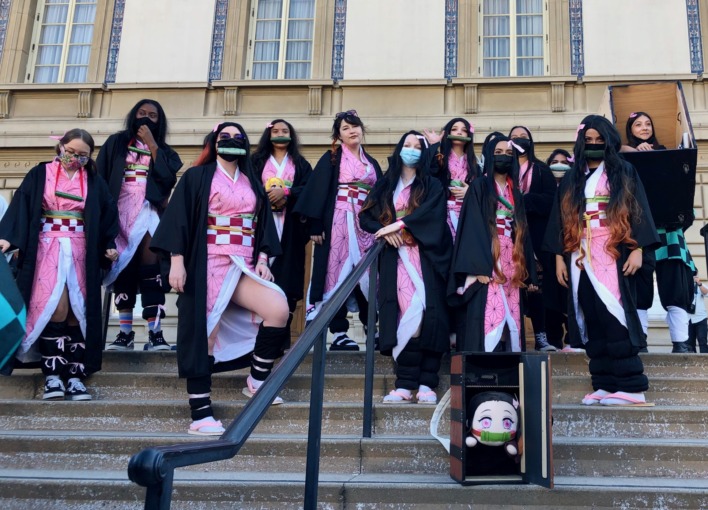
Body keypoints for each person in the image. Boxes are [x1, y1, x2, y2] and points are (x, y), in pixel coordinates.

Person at [150, 122, 290, 435]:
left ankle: (256, 380)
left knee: (278, 308)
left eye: (238, 138)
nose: (231, 142)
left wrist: (264, 259)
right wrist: (176, 261)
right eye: (225, 137)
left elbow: (263, 224)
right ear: (214, 142)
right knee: (206, 334)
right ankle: (200, 413)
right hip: (206, 260)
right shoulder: (197, 177)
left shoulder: (253, 181)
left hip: (242, 261)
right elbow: (179, 219)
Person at [543, 115, 659, 406]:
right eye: (589, 140)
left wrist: (638, 248)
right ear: (581, 142)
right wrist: (559, 257)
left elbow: (639, 209)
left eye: (599, 139)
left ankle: (632, 387)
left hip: (613, 250)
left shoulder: (623, 171)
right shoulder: (572, 177)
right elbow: (559, 217)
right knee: (590, 315)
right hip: (580, 253)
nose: (594, 144)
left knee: (614, 315)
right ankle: (605, 384)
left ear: (608, 141)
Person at [0, 129, 119, 400]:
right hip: (47, 246)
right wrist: (7, 238)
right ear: (60, 148)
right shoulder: (39, 174)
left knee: (78, 311)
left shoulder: (94, 181)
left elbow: (107, 213)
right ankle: (53, 375)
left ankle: (75, 376)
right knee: (56, 307)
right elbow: (22, 206)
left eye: (83, 155)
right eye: (71, 152)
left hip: (81, 248)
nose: (76, 158)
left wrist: (108, 245)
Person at [359, 131, 452, 404]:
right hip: (395, 260)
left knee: (428, 317)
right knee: (406, 320)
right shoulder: (385, 184)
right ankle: (405, 384)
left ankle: (427, 383)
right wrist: (383, 231)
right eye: (407, 145)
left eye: (417, 146)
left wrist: (399, 224)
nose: (411, 150)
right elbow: (366, 217)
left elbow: (431, 215)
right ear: (399, 149)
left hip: (426, 259)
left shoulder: (432, 185)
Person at [98, 99, 183, 351]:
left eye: (153, 115)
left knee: (150, 267)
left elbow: (167, 177)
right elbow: (101, 177)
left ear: (160, 121)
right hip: (119, 211)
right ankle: (124, 333)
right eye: (141, 113)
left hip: (147, 210)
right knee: (123, 267)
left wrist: (152, 144)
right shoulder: (115, 143)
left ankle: (155, 333)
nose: (146, 118)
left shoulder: (164, 150)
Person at [294, 110, 382, 351]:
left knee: (367, 275)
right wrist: (315, 224)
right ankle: (339, 331)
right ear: (338, 135)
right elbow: (317, 190)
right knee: (335, 276)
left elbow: (381, 195)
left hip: (365, 225)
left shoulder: (371, 162)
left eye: (355, 126)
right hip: (338, 222)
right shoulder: (332, 158)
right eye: (345, 128)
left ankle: (370, 328)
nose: (352, 131)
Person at [448, 133, 536, 353]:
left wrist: (530, 271)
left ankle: (510, 366)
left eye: (508, 153)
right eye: (498, 153)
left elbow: (523, 230)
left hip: (512, 257)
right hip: (488, 255)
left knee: (512, 318)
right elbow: (471, 226)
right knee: (488, 311)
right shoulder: (478, 186)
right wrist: (477, 266)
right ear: (489, 155)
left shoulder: (515, 191)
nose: (504, 157)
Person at [621, 112, 693, 353]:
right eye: (638, 124)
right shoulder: (623, 157)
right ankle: (640, 341)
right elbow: (614, 148)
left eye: (648, 123)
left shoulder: (667, 152)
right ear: (630, 129)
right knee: (640, 285)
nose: (644, 128)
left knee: (675, 284)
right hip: (639, 230)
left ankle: (681, 342)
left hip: (670, 230)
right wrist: (634, 151)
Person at [251, 119, 312, 353]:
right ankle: (256, 342)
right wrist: (267, 196)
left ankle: (282, 340)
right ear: (269, 135)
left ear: (291, 135)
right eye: (275, 131)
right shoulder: (255, 161)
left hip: (290, 230)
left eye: (285, 131)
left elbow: (309, 189)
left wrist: (286, 193)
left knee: (288, 281)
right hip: (261, 226)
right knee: (259, 280)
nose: (280, 134)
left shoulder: (300, 163)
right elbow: (247, 187)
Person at [508, 126, 557, 352]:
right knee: (510, 286)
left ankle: (541, 336)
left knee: (535, 288)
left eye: (523, 137)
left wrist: (522, 201)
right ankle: (512, 337)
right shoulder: (503, 169)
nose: (519, 141)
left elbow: (550, 201)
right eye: (515, 138)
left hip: (535, 237)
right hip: (508, 237)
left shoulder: (541, 170)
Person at [423, 118, 480, 240]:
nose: (459, 133)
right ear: (447, 133)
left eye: (464, 130)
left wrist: (470, 191)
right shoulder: (440, 158)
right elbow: (427, 174)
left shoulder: (474, 164)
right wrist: (434, 145)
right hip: (444, 213)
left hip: (468, 213)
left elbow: (482, 190)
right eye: (454, 129)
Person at [688, 276, 708, 353]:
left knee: (702, 341)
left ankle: (705, 362)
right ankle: (692, 364)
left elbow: (706, 293)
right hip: (688, 319)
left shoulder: (701, 285)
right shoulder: (685, 285)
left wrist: (699, 283)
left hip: (701, 318)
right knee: (690, 344)